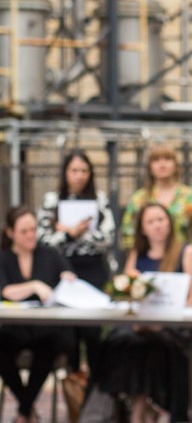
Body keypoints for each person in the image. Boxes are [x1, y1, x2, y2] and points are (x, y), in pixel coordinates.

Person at [95, 202, 192, 423]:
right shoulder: (138, 254)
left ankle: (152, 407)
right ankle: (133, 407)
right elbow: (127, 293)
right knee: (119, 342)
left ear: (170, 223)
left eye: (161, 220)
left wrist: (165, 321)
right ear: (142, 229)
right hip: (141, 324)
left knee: (157, 345)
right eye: (151, 222)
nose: (157, 226)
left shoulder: (187, 252)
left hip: (174, 326)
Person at [37, 149, 115, 381]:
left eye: (84, 170)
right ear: (65, 173)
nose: (79, 176)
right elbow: (43, 240)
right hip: (62, 269)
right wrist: (69, 235)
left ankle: (95, 387)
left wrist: (78, 232)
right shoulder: (52, 200)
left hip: (93, 268)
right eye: (74, 170)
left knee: (92, 331)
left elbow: (108, 238)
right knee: (68, 332)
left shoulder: (99, 199)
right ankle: (73, 386)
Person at [0, 205, 77, 423]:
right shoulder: (4, 258)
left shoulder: (49, 254)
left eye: (33, 229)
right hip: (16, 329)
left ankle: (24, 412)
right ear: (11, 233)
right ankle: (27, 409)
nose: (30, 235)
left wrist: (68, 278)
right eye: (24, 231)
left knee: (49, 347)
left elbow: (68, 276)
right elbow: (5, 291)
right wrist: (34, 285)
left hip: (46, 329)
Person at [120, 144, 192, 257]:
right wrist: (140, 256)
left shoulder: (191, 197)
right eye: (156, 160)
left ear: (176, 165)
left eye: (167, 159)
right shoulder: (139, 199)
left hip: (182, 261)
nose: (162, 164)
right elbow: (128, 232)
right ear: (150, 167)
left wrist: (189, 255)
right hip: (148, 261)